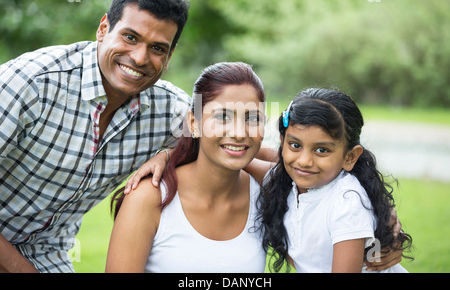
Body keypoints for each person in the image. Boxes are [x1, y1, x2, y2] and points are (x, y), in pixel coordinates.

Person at [0, 0, 190, 272]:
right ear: (104, 29)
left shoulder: (171, 109)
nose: (140, 58)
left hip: (47, 254)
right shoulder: (32, 83)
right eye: (130, 37)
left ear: (169, 56)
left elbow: (242, 143)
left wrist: (169, 153)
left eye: (157, 48)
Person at [106, 62, 268, 272]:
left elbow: (296, 159)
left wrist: (168, 153)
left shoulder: (265, 193)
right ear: (193, 123)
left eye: (252, 118)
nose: (238, 132)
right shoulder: (149, 198)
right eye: (222, 117)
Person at [252, 87, 413, 273]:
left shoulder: (346, 203)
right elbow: (244, 153)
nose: (304, 161)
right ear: (282, 142)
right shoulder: (286, 182)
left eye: (322, 150)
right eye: (295, 145)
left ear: (350, 157)